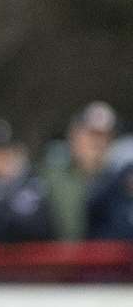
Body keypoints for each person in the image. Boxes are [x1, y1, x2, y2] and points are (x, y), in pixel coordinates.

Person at [39, 101, 118, 240]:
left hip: (110, 259)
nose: (97, 143)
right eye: (91, 135)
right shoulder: (49, 178)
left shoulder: (119, 181)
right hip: (62, 258)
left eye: (103, 136)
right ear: (73, 135)